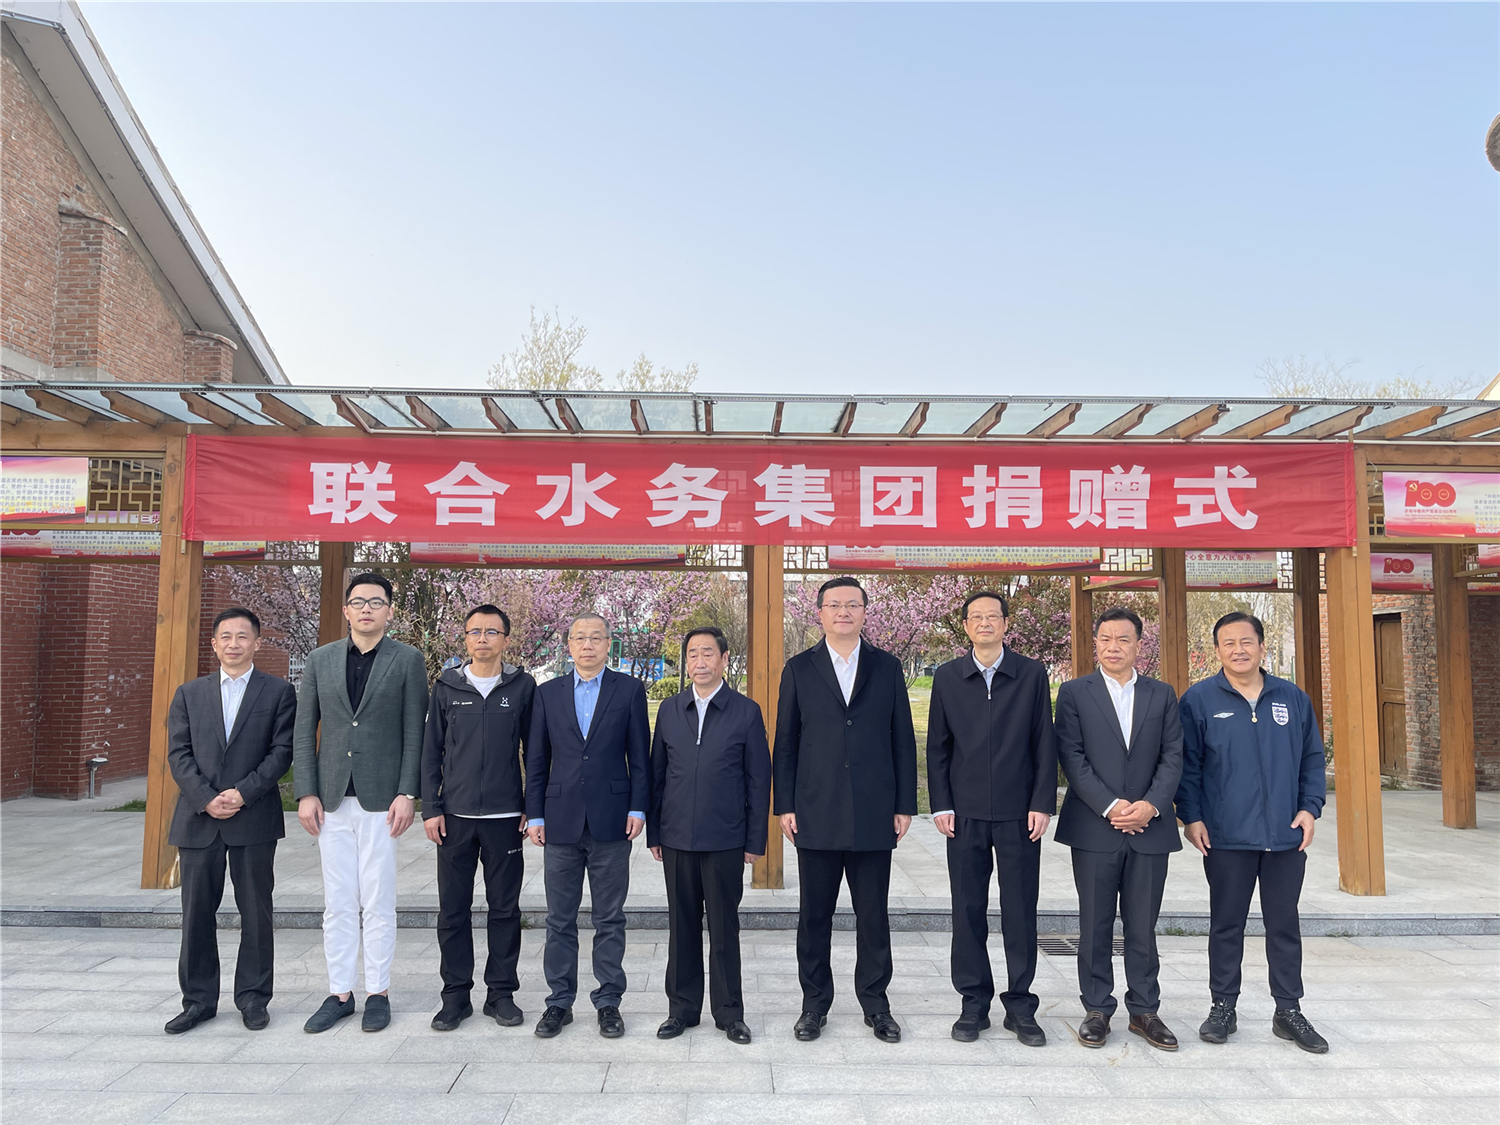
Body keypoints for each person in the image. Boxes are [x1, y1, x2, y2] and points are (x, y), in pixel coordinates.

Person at [1177, 611, 1330, 1054]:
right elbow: (1188, 767)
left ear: (1262, 647)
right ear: (1217, 650)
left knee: (1284, 925)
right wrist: (1191, 817)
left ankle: (1289, 1010)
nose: (1238, 650)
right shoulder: (1199, 700)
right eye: (1228, 643)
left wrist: (1310, 808)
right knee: (1226, 925)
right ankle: (1223, 1007)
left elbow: (1312, 759)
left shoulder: (1292, 698)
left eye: (1246, 641)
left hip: (1285, 835)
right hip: (1226, 836)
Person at [774, 576, 918, 1044]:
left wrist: (904, 805)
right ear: (819, 613)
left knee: (873, 916)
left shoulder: (887, 666)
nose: (843, 612)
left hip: (874, 810)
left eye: (852, 604)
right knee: (814, 917)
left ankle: (876, 1005)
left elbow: (902, 739)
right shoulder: (799, 668)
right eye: (834, 605)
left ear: (864, 612)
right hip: (815, 809)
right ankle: (813, 1006)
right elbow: (786, 742)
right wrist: (785, 805)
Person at [293, 572, 428, 1034]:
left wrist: (407, 793)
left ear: (389, 610)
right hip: (330, 797)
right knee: (337, 902)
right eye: (358, 601)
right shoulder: (320, 659)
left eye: (376, 601)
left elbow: (415, 731)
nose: (366, 609)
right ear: (346, 610)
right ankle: (339, 993)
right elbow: (304, 729)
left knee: (378, 899)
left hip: (381, 799)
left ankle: (378, 993)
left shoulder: (407, 660)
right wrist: (306, 791)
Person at [927, 590, 1057, 1045]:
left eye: (993, 616)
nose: (985, 623)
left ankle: (1020, 1005)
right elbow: (938, 746)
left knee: (1020, 909)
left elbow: (1044, 742)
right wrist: (941, 804)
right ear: (966, 626)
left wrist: (1042, 803)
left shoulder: (1031, 674)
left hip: (1019, 814)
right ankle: (973, 1002)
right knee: (967, 909)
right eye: (976, 617)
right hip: (963, 815)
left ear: (1005, 624)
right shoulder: (948, 676)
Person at [1054, 606, 1183, 1051]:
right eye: (1106, 639)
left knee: (1143, 924)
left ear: (1138, 645)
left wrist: (1150, 805)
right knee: (1095, 922)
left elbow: (1173, 756)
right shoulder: (1074, 693)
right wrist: (1111, 806)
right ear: (1096, 643)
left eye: (1123, 639)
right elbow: (1071, 756)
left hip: (1150, 827)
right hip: (1095, 826)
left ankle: (1145, 1010)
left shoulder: (1161, 694)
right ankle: (1097, 1009)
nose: (1114, 647)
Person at [163, 607, 296, 1034]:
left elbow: (282, 752)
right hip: (198, 818)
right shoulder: (189, 693)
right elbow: (178, 753)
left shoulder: (278, 692)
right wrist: (206, 798)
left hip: (252, 816)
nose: (234, 643)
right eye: (226, 636)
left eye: (242, 636)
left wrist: (242, 792)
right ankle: (198, 1001)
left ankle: (254, 998)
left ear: (257, 642)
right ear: (214, 644)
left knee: (256, 912)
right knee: (196, 914)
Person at [525, 612, 650, 1040]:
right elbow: (536, 759)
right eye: (580, 638)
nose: (588, 645)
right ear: (569, 645)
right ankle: (559, 1002)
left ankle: (608, 1001)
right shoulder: (548, 693)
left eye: (596, 638)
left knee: (609, 917)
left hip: (612, 819)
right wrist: (535, 814)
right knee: (559, 919)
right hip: (559, 821)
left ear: (608, 644)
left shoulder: (629, 690)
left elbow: (640, 756)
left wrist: (638, 808)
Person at [648, 626, 771, 1045]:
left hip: (725, 839)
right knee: (681, 928)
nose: (700, 662)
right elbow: (657, 775)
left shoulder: (746, 712)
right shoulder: (670, 709)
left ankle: (729, 1014)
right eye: (693, 655)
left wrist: (754, 840)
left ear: (724, 659)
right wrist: (655, 832)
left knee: (723, 929)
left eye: (707, 654)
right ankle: (681, 1010)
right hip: (676, 837)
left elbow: (759, 780)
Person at [421, 604, 536, 1032]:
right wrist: (431, 808)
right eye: (475, 631)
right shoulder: (447, 686)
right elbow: (430, 751)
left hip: (506, 817)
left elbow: (535, 750)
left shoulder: (522, 687)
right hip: (455, 817)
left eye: (491, 631)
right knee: (453, 910)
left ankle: (501, 994)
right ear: (465, 638)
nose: (482, 638)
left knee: (504, 909)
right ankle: (455, 996)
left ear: (506, 638)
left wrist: (532, 805)